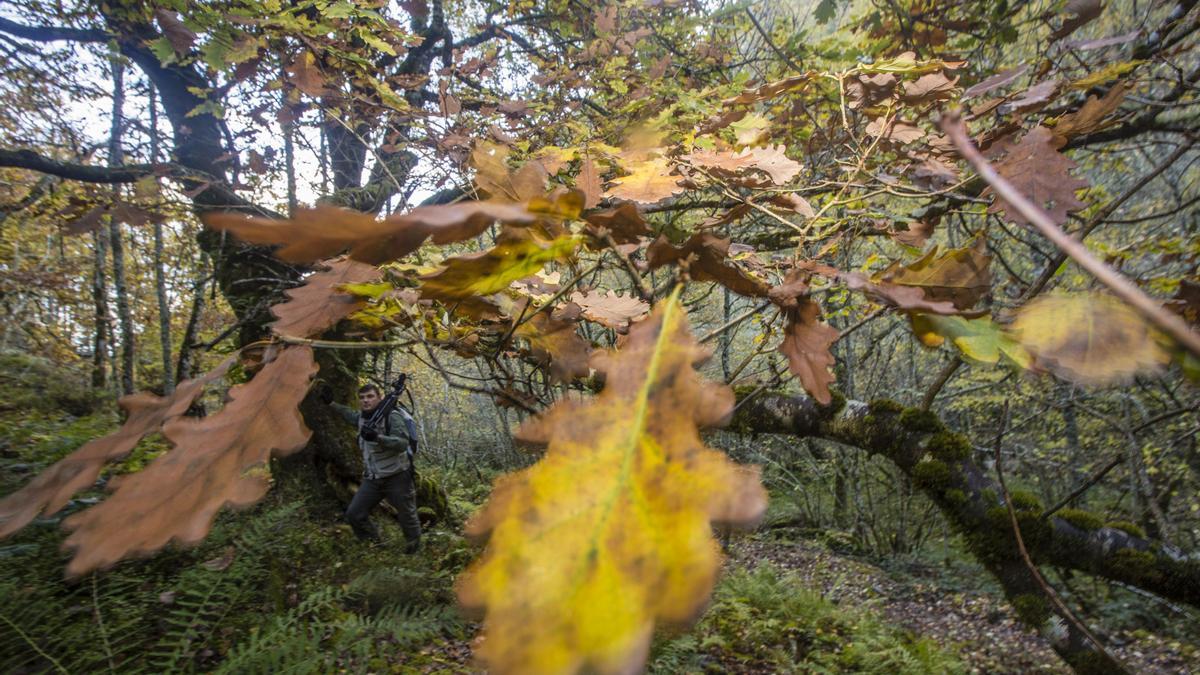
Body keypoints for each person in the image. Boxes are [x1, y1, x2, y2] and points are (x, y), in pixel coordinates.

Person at [323, 382, 421, 553]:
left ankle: (414, 552)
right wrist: (331, 404)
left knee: (407, 516)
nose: (365, 401)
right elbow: (349, 415)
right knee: (355, 514)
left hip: (397, 476)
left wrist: (377, 437)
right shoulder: (362, 417)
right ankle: (375, 548)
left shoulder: (392, 416)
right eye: (362, 398)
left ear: (379, 398)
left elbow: (402, 443)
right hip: (373, 479)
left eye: (370, 397)